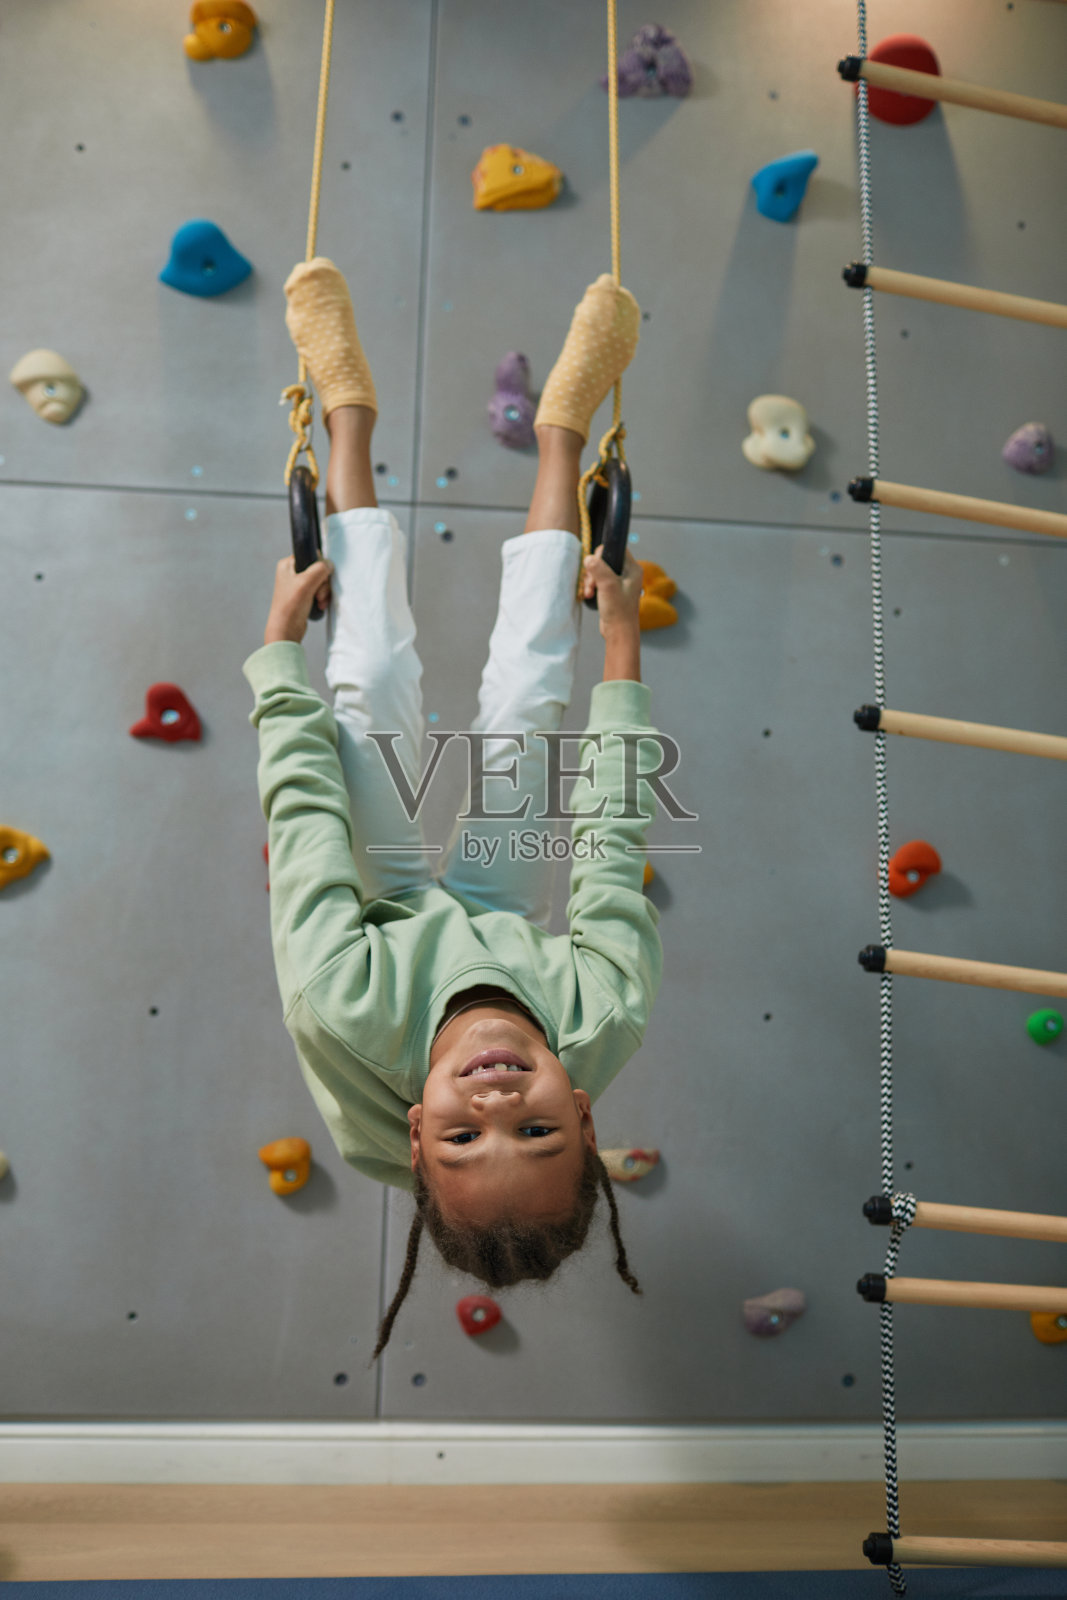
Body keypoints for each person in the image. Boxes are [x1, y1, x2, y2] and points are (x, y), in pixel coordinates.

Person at [242, 259, 663, 1358]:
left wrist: (280, 651)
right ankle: (562, 434)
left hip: (386, 927)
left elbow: (304, 824)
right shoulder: (602, 1012)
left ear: (417, 1133)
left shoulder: (343, 1006)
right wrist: (621, 644)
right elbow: (609, 833)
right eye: (537, 1128)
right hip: (498, 923)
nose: (496, 1100)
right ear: (582, 1111)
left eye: (466, 1138)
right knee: (529, 701)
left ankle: (345, 413)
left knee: (370, 678)